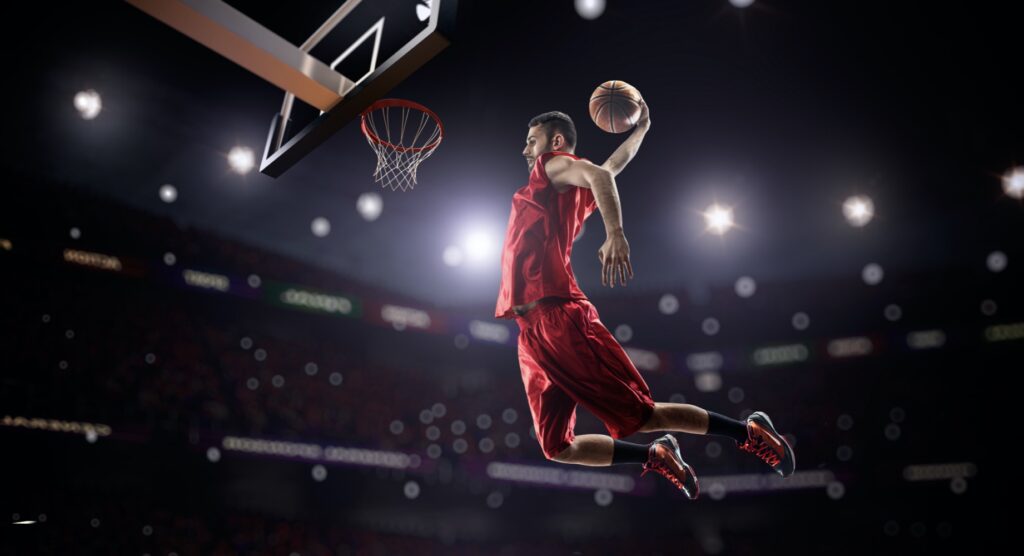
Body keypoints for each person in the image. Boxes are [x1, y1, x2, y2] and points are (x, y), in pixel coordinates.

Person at [494, 101, 795, 499]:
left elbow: (601, 173)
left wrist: (614, 231)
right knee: (557, 447)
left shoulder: (551, 166)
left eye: (531, 141)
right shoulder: (560, 191)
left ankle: (749, 432)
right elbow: (611, 168)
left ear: (556, 141)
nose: (526, 150)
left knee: (644, 415)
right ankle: (656, 455)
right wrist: (641, 131)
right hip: (530, 333)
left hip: (557, 320)